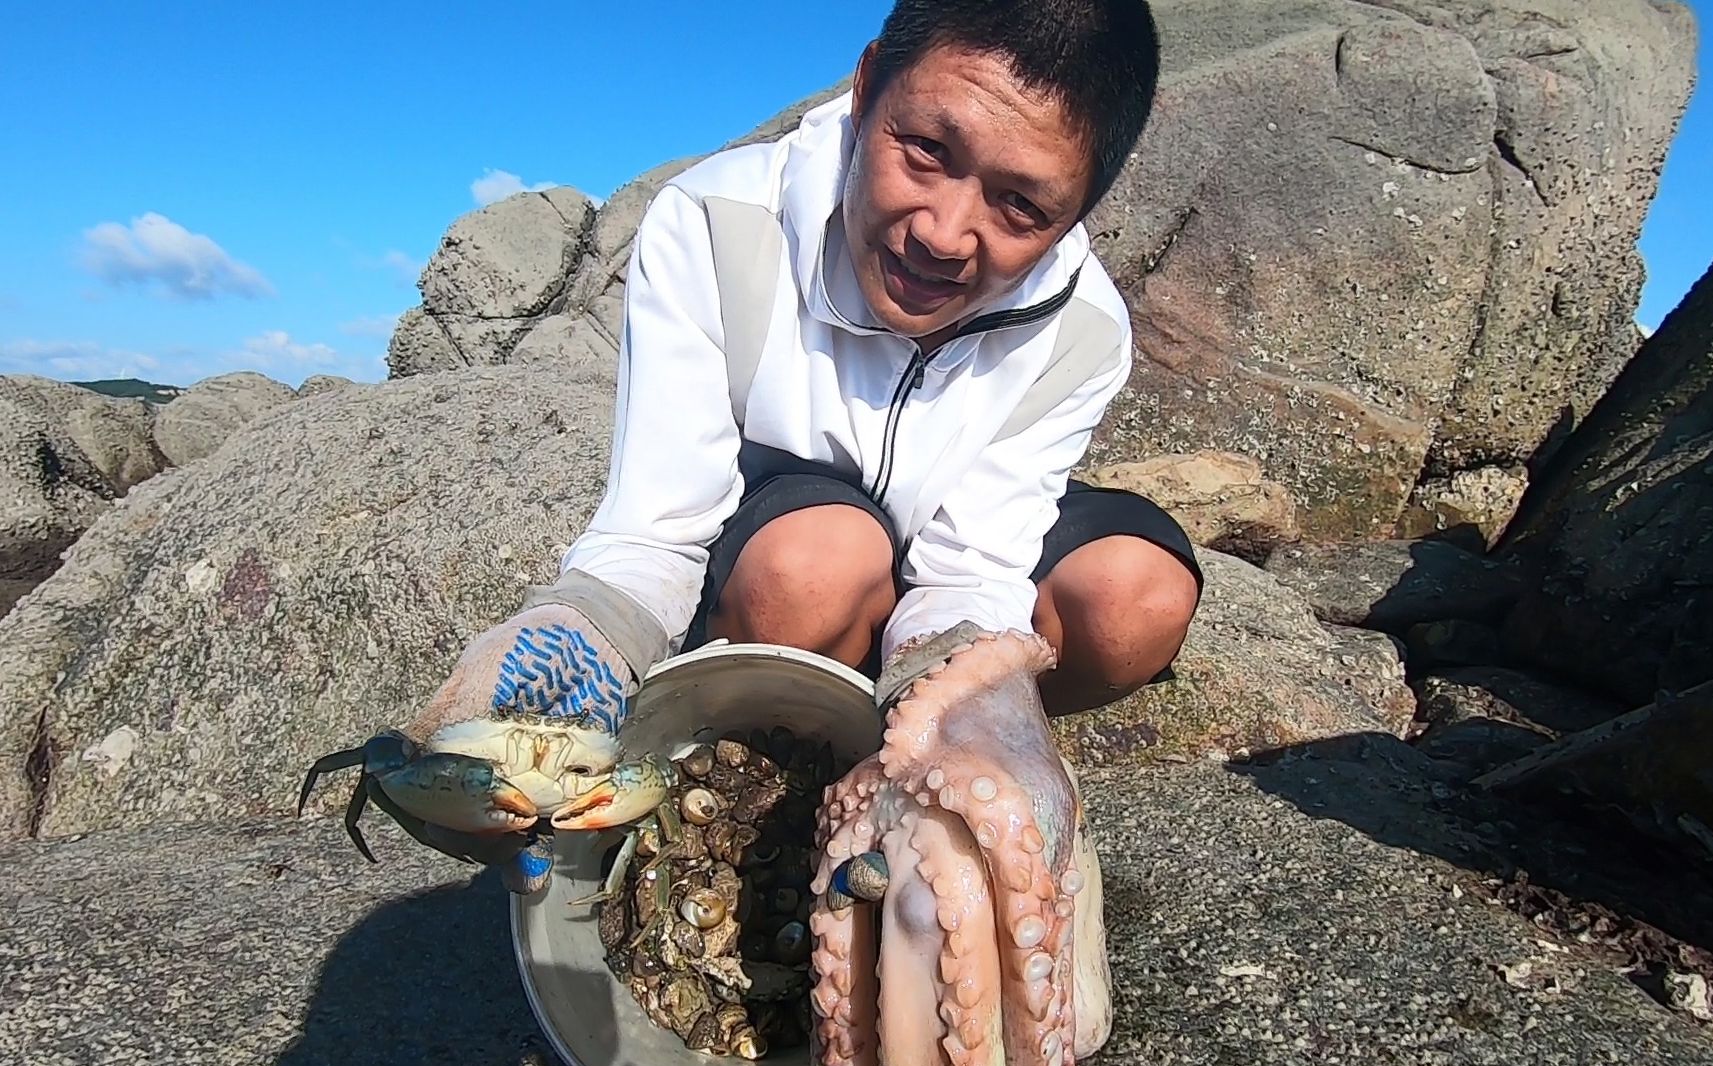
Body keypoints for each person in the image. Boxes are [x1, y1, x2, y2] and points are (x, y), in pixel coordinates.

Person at [396, 0, 1202, 891]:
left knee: (1135, 597)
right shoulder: (715, 221)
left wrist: (976, 698)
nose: (942, 232)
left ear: (1079, 210)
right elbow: (656, 526)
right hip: (792, 542)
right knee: (812, 567)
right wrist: (586, 625)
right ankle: (775, 752)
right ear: (865, 91)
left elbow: (976, 564)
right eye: (926, 150)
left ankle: (954, 771)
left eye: (1020, 205)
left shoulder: (1086, 329)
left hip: (962, 541)